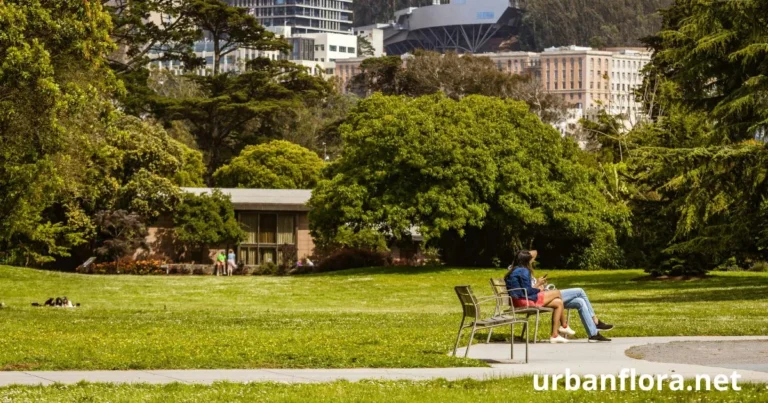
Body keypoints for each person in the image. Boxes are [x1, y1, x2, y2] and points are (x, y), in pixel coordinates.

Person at [504, 250, 613, 343]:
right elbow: (527, 291)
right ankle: (593, 321)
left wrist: (538, 286)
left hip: (520, 300)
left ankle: (557, 335)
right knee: (578, 291)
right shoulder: (523, 271)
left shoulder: (515, 270)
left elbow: (523, 290)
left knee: (573, 302)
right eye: (530, 259)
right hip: (526, 301)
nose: (533, 261)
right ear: (526, 260)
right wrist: (539, 288)